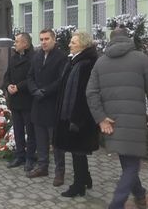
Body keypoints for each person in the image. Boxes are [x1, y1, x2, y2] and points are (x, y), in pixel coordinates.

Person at [86, 28, 148, 209]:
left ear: (110, 40)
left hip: (111, 122)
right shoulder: (141, 59)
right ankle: (117, 203)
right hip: (134, 121)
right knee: (131, 165)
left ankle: (140, 194)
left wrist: (101, 118)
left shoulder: (100, 63)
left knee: (128, 162)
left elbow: (91, 93)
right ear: (128, 38)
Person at [53, 31, 99, 197]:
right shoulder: (74, 61)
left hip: (79, 117)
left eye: (73, 42)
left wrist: (76, 119)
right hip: (72, 114)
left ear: (83, 45)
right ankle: (86, 178)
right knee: (77, 150)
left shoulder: (86, 63)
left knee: (78, 151)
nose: (69, 44)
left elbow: (83, 94)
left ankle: (78, 186)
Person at [26, 29, 66, 185]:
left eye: (46, 39)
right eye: (41, 39)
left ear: (54, 40)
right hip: (37, 104)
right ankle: (43, 166)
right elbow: (29, 76)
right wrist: (34, 90)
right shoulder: (36, 56)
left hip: (52, 105)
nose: (43, 42)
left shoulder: (61, 57)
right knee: (40, 139)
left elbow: (61, 79)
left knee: (56, 142)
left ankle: (59, 171)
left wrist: (45, 91)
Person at [3, 33, 35, 172]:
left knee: (30, 131)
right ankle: (19, 155)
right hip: (15, 101)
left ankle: (29, 157)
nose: (15, 44)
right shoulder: (13, 57)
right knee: (18, 130)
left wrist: (18, 87)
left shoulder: (34, 58)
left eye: (17, 41)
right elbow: (7, 75)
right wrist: (8, 85)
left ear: (26, 44)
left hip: (27, 100)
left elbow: (32, 78)